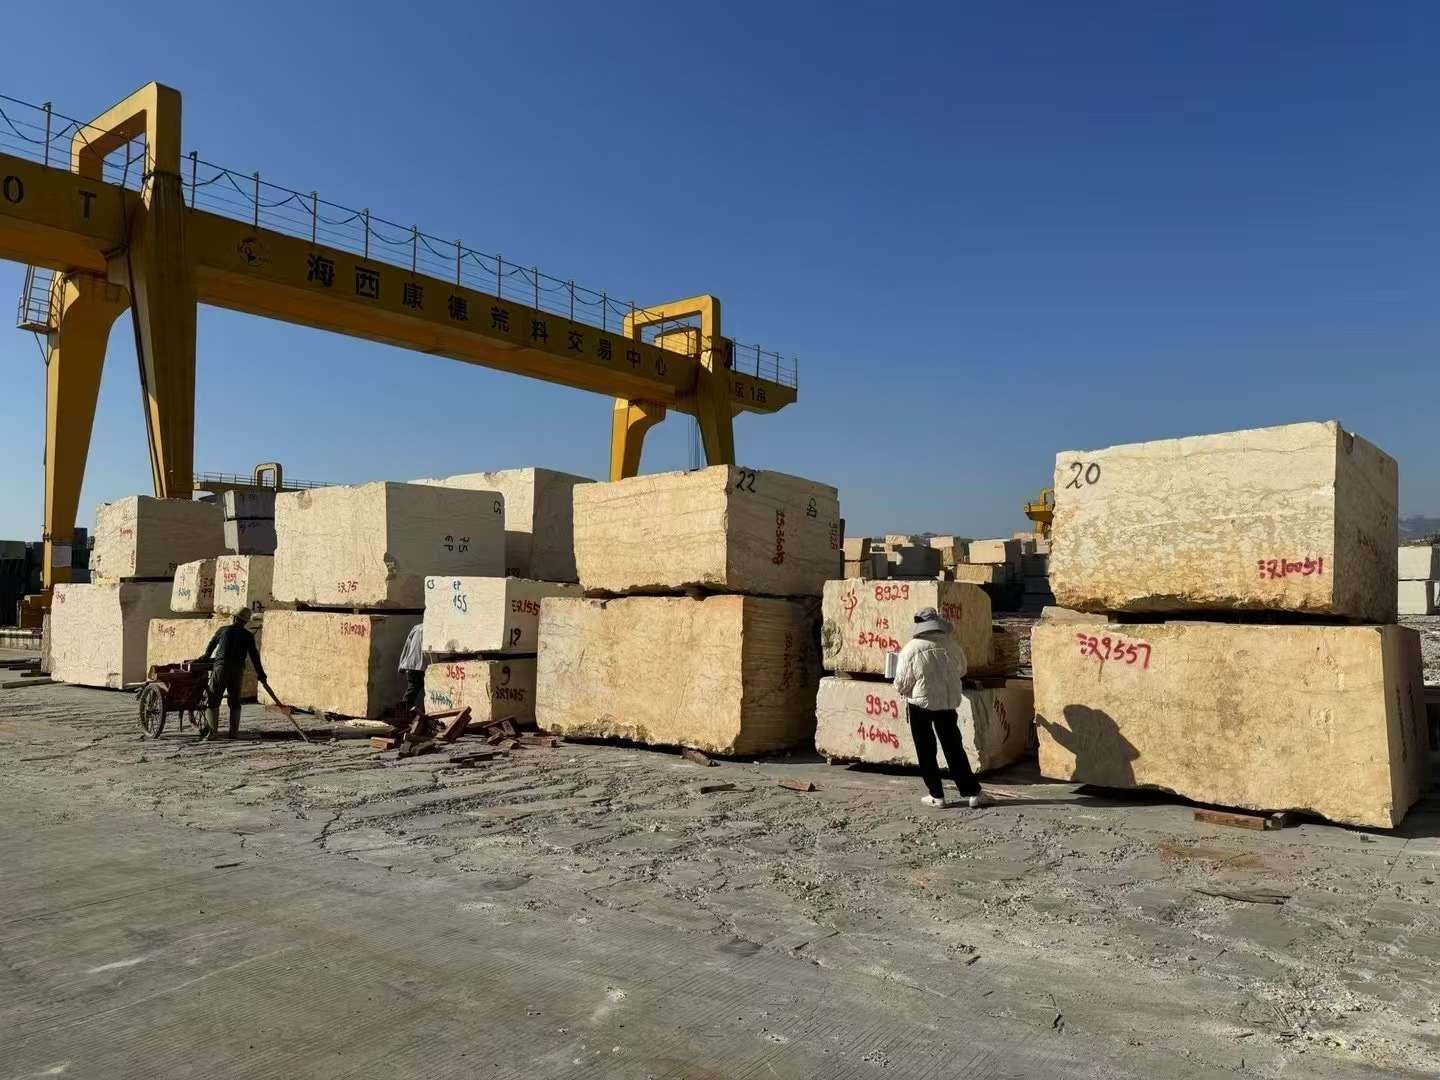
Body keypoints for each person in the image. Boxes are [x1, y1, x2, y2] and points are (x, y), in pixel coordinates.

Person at [892, 606, 991, 809]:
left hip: (920, 705)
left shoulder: (910, 649)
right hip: (947, 703)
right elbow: (961, 670)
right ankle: (972, 792)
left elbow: (902, 683)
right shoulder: (952, 645)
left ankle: (936, 795)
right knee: (954, 748)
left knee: (926, 750)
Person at [198, 607, 267, 741]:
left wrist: (205, 657)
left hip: (221, 668)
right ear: (245, 622)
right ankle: (234, 732)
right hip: (237, 670)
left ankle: (212, 732)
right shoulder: (248, 636)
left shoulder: (223, 630)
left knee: (213, 699)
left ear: (234, 618)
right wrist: (261, 675)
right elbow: (254, 657)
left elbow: (212, 645)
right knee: (235, 701)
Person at [398, 622, 426, 721]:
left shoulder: (417, 628)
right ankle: (404, 715)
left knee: (411, 691)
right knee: (415, 691)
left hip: (411, 665)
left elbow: (407, 646)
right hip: (422, 665)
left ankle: (404, 715)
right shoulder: (432, 628)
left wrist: (402, 664)